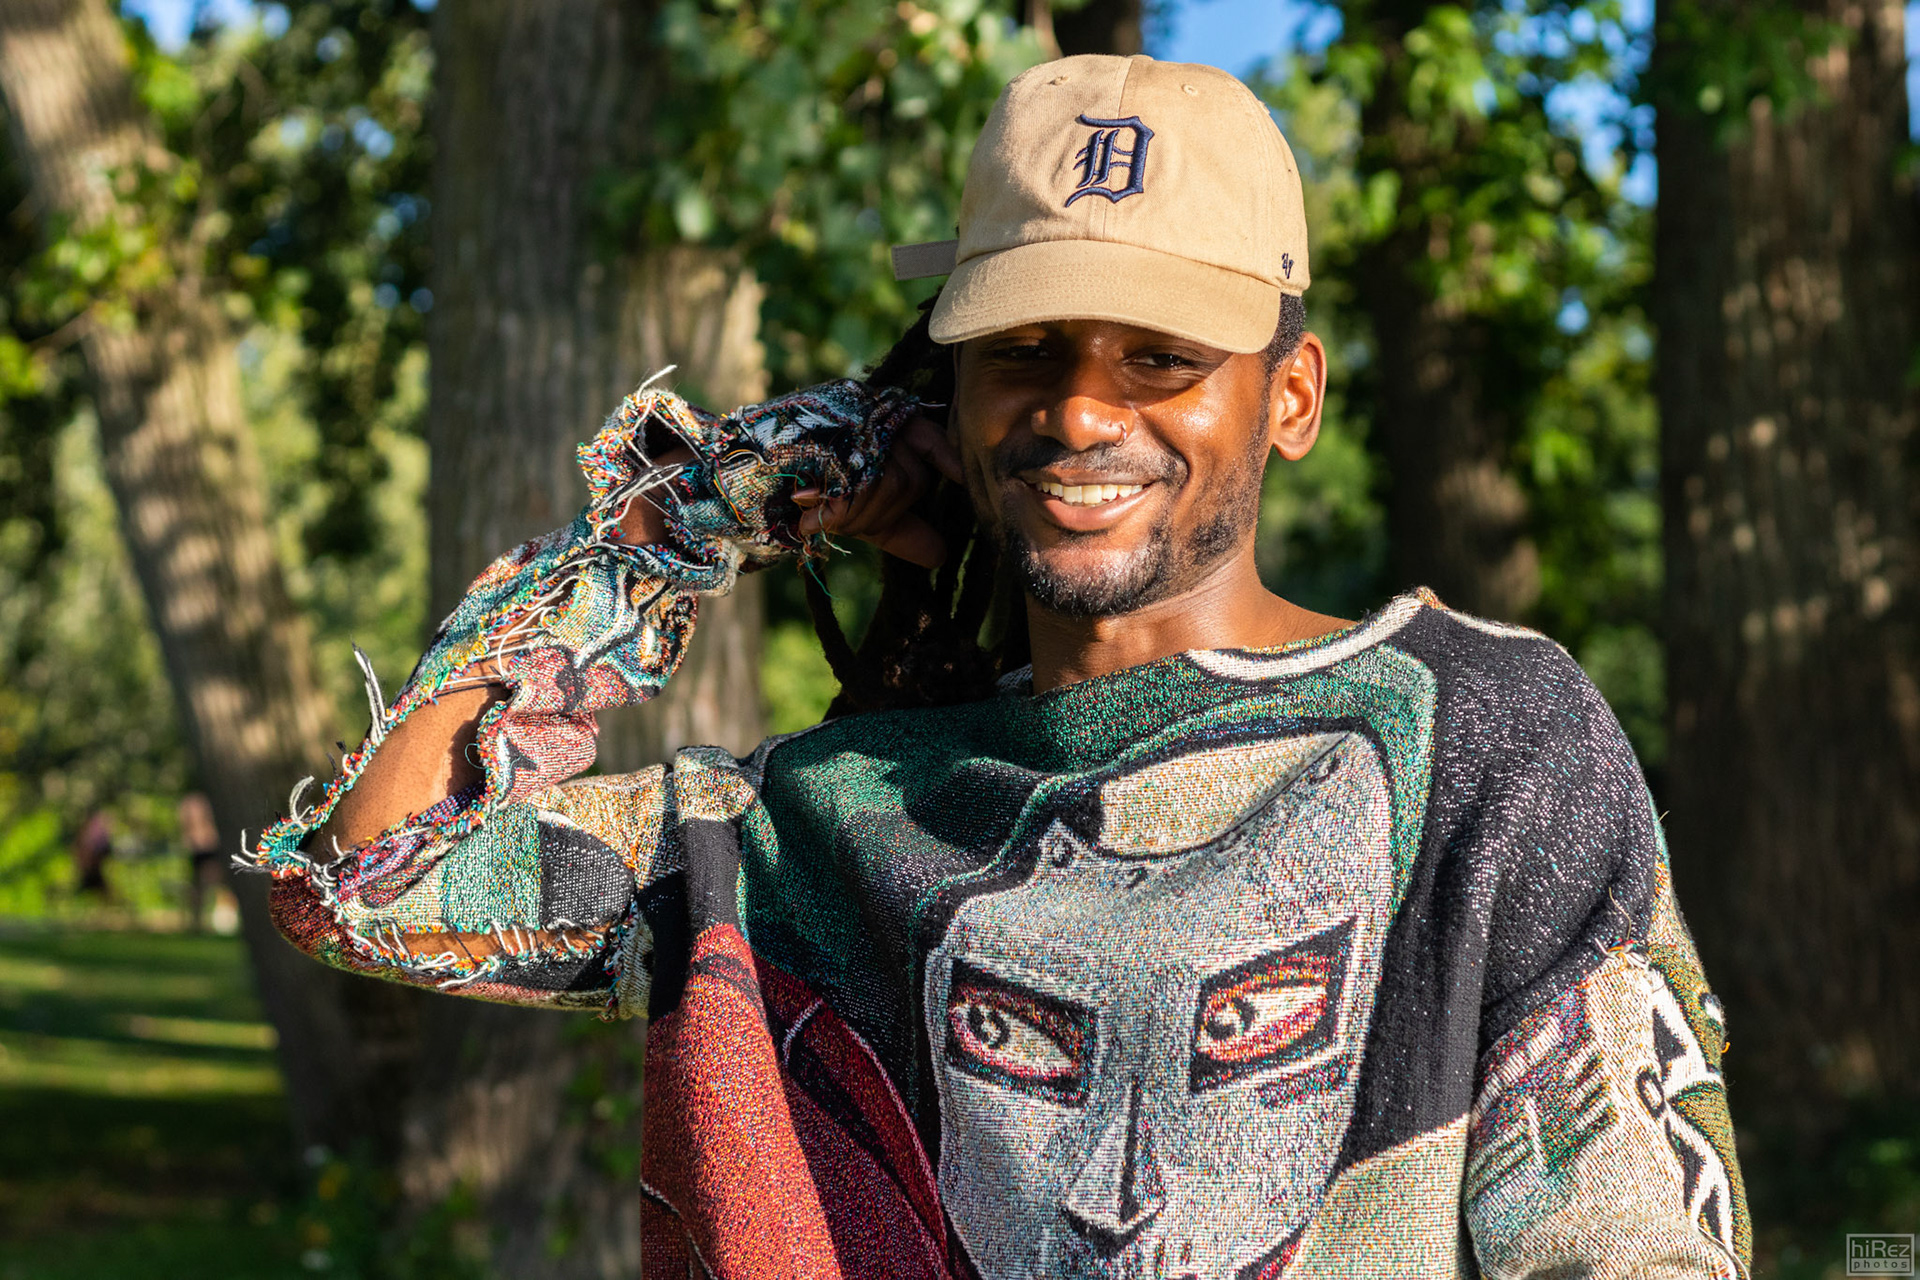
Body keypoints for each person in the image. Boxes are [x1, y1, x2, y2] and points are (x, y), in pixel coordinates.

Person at [246, 55, 1748, 1280]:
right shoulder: (821, 822)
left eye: (1161, 356)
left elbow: (1629, 1248)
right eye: (1024, 350)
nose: (1081, 412)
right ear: (947, 395)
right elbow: (371, 884)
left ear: (1290, 397)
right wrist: (706, 506)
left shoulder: (1489, 741)